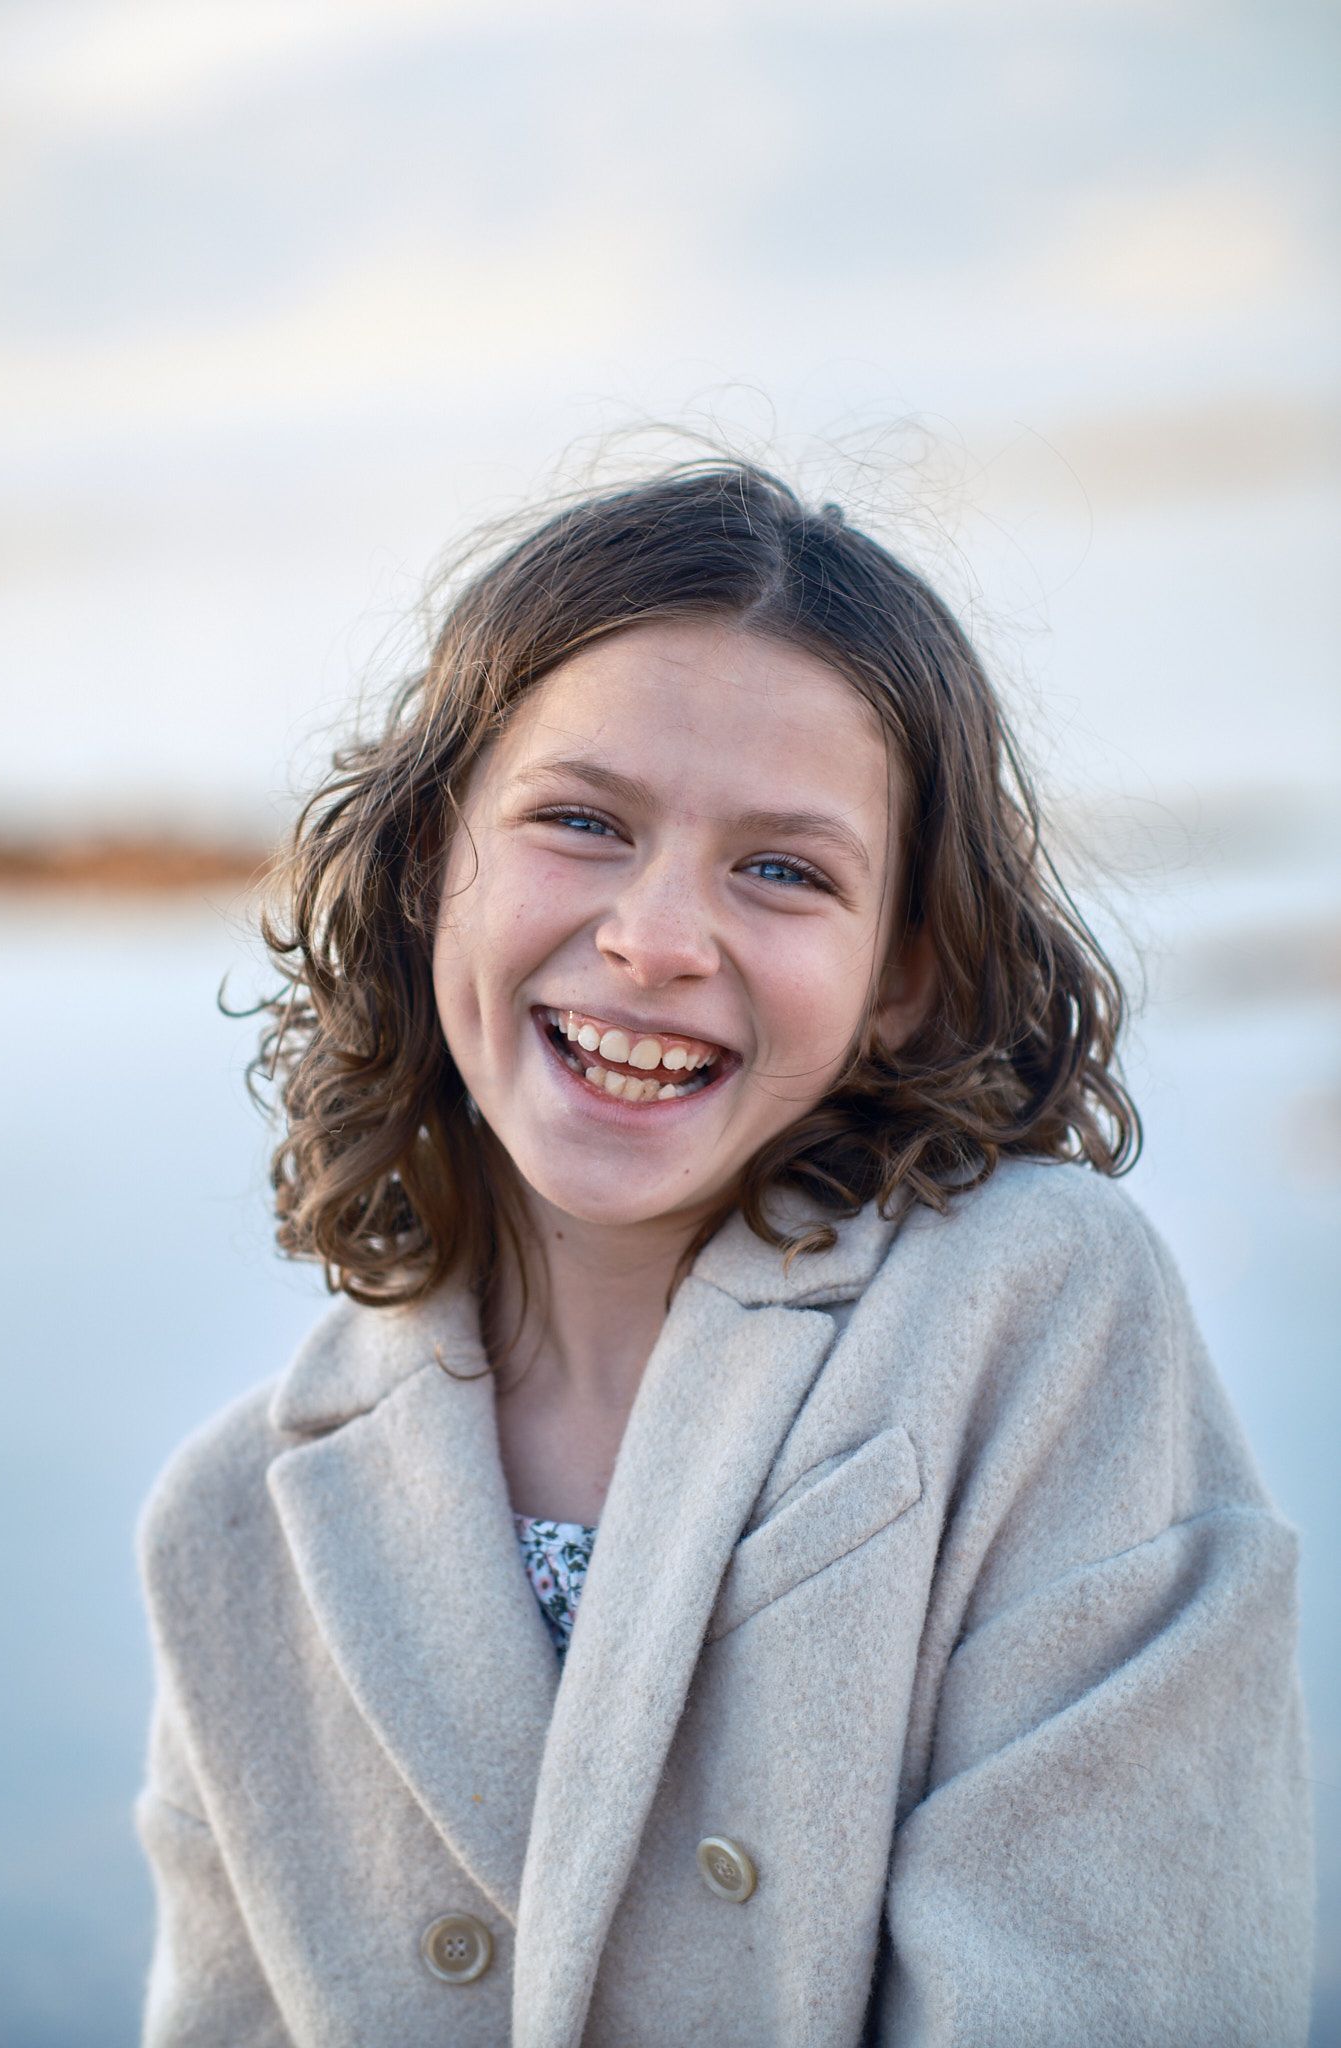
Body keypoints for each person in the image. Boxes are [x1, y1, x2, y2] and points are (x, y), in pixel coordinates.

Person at [133, 461, 1313, 2046]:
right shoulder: (231, 1529)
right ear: (428, 866)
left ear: (900, 975)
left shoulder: (1035, 1316)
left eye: (782, 869)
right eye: (578, 821)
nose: (656, 937)